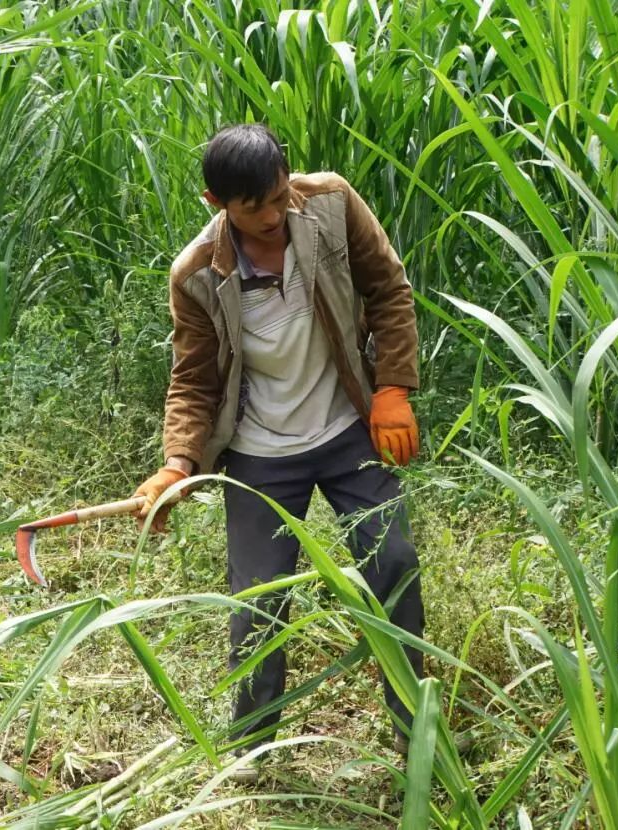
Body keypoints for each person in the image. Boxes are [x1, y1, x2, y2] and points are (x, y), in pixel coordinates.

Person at [132, 125, 424, 780]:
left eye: (275, 198)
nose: (270, 218)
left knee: (394, 566)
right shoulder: (195, 275)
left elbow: (388, 289)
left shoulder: (329, 203)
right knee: (257, 600)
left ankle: (413, 726)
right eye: (250, 209)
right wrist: (177, 462)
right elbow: (193, 380)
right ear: (215, 202)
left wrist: (393, 390)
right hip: (261, 452)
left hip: (348, 429)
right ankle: (253, 748)